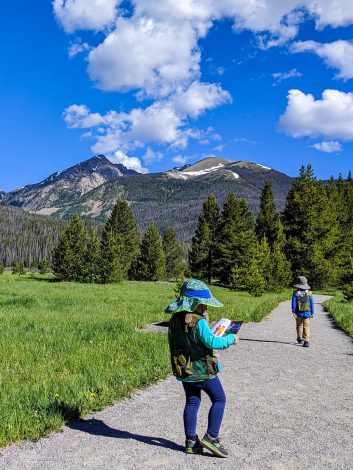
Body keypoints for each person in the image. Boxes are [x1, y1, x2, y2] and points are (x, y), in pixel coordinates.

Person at [165, 279, 239, 458]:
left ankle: (191, 441)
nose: (205, 307)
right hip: (203, 371)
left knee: (192, 401)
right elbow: (212, 342)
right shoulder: (198, 322)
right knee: (219, 399)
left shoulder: (174, 320)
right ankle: (211, 437)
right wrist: (231, 339)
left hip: (184, 370)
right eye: (203, 304)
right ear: (196, 304)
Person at [291, 276, 314, 348]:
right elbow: (311, 303)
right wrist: (312, 312)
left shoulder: (296, 293)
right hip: (307, 313)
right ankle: (306, 341)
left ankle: (299, 338)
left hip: (298, 313)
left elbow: (293, 303)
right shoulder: (309, 293)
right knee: (306, 326)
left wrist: (293, 311)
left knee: (299, 325)